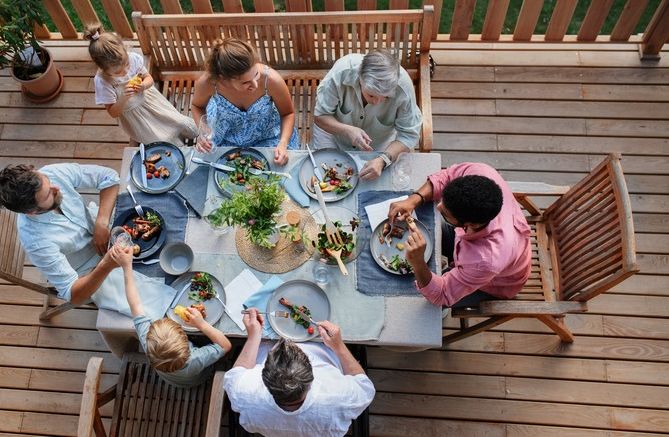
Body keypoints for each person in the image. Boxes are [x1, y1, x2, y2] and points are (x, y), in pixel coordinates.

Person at [0, 163, 174, 317]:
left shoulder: (50, 173)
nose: (56, 189)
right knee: (157, 303)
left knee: (163, 216)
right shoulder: (36, 242)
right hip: (89, 268)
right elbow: (73, 294)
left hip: (101, 226)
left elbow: (108, 176)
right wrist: (106, 265)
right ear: (32, 212)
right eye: (49, 194)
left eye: (49, 184)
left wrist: (102, 223)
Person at [387, 163, 532, 307]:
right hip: (482, 246)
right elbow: (446, 176)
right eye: (443, 200)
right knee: (431, 230)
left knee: (424, 302)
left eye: (444, 213)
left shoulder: (485, 261)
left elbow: (441, 295)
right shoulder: (481, 172)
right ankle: (449, 265)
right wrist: (414, 199)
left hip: (496, 283)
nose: (438, 207)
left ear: (472, 224)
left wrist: (418, 262)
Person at [223, 309, 374, 437]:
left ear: (264, 378)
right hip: (324, 345)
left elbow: (237, 373)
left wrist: (254, 336)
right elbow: (364, 385)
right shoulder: (341, 397)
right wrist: (339, 346)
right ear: (311, 375)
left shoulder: (244, 392)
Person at [111, 246, 231, 387]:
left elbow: (135, 304)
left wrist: (127, 267)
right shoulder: (195, 359)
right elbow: (226, 345)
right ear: (186, 341)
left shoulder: (147, 341)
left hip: (169, 379)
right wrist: (202, 325)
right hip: (197, 380)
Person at [313, 50, 424, 181]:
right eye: (371, 95)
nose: (376, 102)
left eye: (385, 97)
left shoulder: (403, 88)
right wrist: (347, 130)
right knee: (324, 177)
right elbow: (320, 116)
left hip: (379, 146)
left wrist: (383, 160)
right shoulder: (341, 72)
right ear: (360, 79)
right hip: (332, 135)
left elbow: (409, 134)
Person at [191, 38, 300, 166]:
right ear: (224, 79)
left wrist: (283, 143)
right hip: (226, 138)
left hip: (268, 137)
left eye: (256, 75)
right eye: (245, 82)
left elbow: (287, 113)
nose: (254, 84)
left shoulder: (271, 80)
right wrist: (204, 131)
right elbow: (197, 106)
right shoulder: (208, 83)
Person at [84, 24, 196, 147]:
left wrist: (143, 86)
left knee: (178, 121)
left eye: (127, 65)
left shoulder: (133, 59)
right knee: (161, 138)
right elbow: (113, 112)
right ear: (103, 68)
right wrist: (123, 98)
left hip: (151, 101)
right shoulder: (103, 82)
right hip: (136, 117)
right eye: (118, 72)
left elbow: (148, 78)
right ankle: (179, 149)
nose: (126, 72)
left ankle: (196, 135)